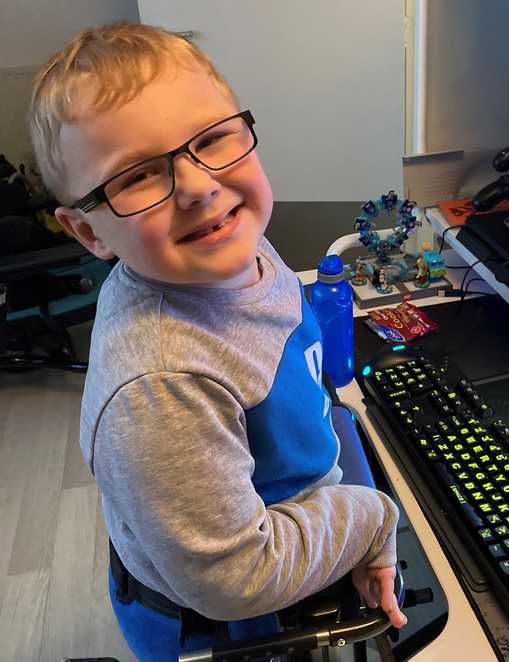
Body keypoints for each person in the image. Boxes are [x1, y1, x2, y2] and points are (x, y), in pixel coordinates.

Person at [27, 22, 406, 662]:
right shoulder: (161, 385)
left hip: (292, 526)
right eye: (139, 175)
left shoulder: (236, 245)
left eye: (211, 140)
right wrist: (369, 519)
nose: (200, 185)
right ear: (88, 234)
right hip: (242, 623)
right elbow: (236, 578)